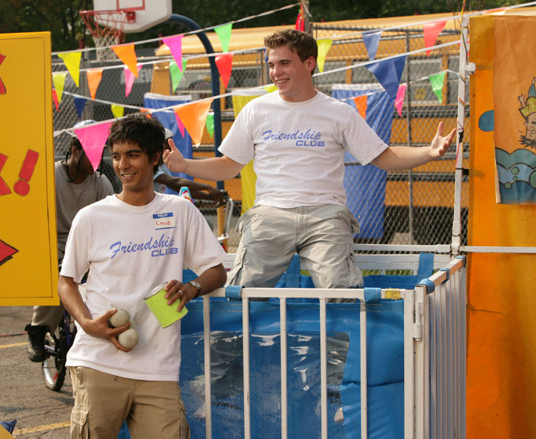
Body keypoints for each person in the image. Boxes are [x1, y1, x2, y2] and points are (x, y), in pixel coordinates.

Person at [163, 28, 455, 290]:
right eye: (271, 65)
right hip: (270, 213)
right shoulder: (255, 110)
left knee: (341, 289)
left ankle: (339, 336)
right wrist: (185, 165)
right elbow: (230, 164)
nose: (275, 72)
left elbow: (384, 156)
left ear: (309, 63)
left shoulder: (339, 112)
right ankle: (250, 336)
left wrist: (428, 153)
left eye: (284, 63)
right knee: (243, 289)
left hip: (325, 215)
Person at [58, 113, 226, 439]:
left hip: (158, 369)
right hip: (97, 361)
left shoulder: (180, 212)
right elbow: (67, 282)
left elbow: (216, 270)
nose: (123, 165)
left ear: (154, 157)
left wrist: (191, 288)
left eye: (133, 155)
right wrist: (87, 323)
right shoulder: (91, 217)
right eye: (116, 156)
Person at [25, 123, 114, 362]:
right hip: (50, 240)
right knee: (61, 279)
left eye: (101, 153)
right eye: (92, 152)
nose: (97, 160)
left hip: (87, 244)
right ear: (75, 150)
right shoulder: (50, 176)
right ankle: (38, 330)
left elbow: (111, 219)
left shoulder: (100, 182)